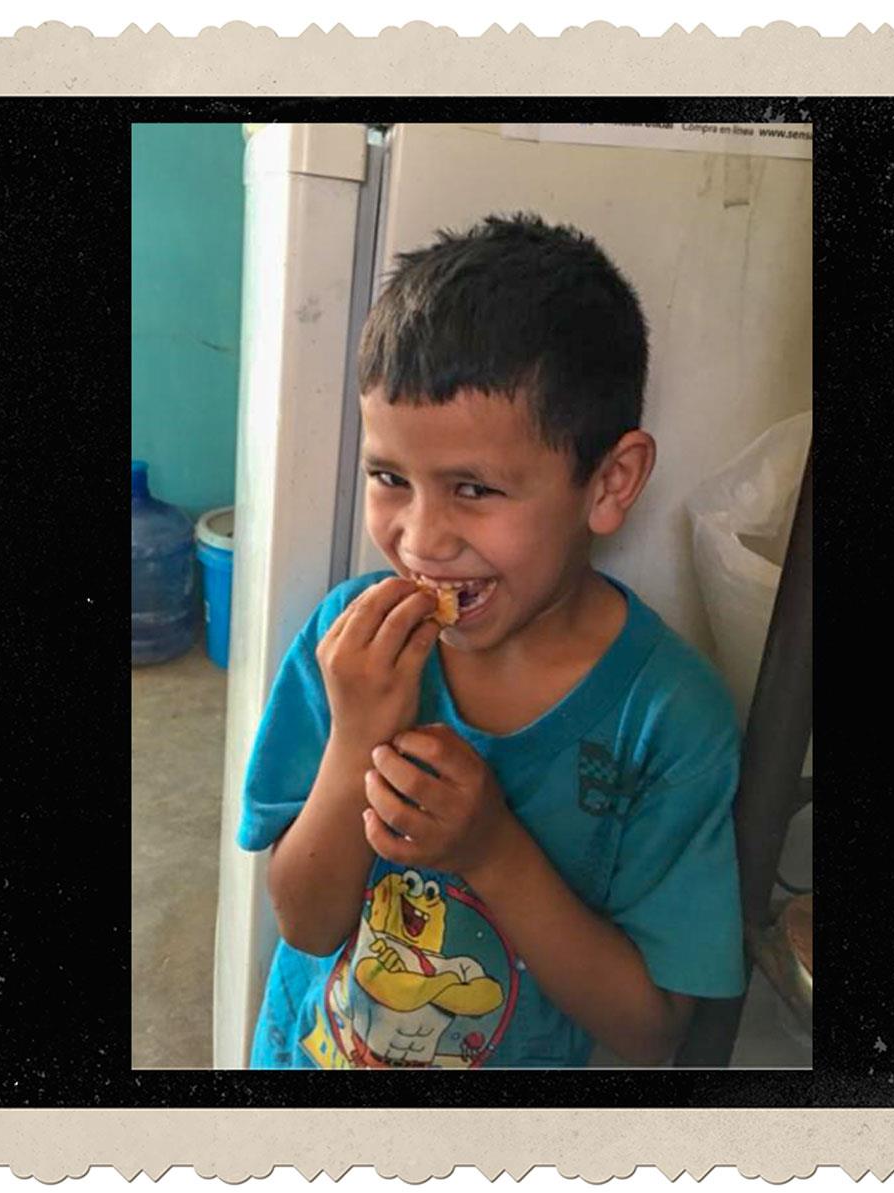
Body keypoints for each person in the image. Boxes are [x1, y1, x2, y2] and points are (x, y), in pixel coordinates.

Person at [237, 212, 744, 1069]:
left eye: (473, 488)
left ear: (610, 482)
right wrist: (357, 735)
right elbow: (304, 919)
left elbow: (652, 1031)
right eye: (389, 477)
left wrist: (491, 849)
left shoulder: (669, 719)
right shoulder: (348, 644)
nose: (420, 540)